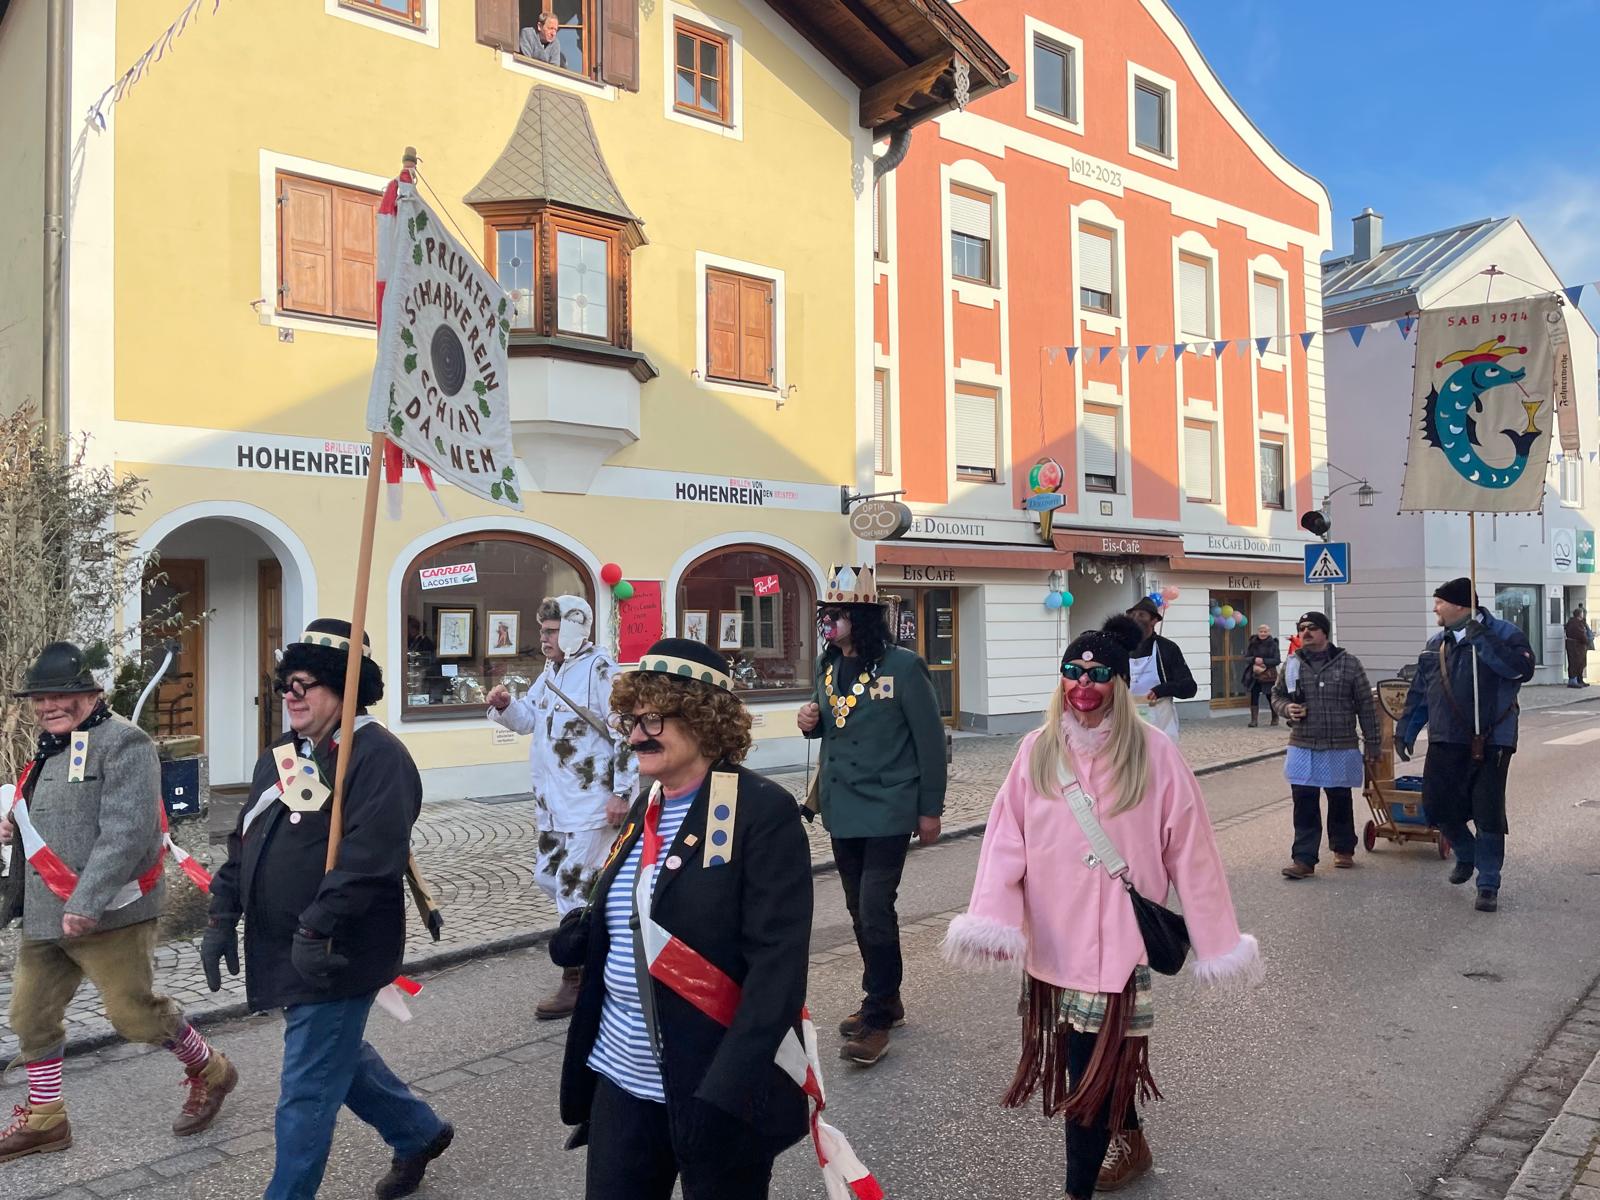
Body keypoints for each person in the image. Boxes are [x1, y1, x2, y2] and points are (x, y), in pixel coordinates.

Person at [942, 615, 1261, 1199]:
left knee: (1084, 1072)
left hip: (1120, 943)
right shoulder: (1037, 749)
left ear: (1119, 682)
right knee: (1094, 1059)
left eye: (1097, 673)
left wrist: (1217, 942)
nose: (1083, 684)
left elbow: (1192, 852)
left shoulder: (1156, 753)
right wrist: (993, 917)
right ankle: (1131, 1141)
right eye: (1073, 671)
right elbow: (1005, 839)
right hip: (1054, 941)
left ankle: (1077, 1190)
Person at [552, 638, 817, 1198]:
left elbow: (777, 970)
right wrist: (586, 932)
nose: (634, 735)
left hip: (714, 1087)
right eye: (630, 720)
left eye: (652, 719)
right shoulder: (648, 805)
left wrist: (727, 1092)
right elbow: (643, 911)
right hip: (621, 1077)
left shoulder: (761, 811)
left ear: (703, 718)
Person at [201, 620, 452, 1200]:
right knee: (336, 1056)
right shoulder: (285, 754)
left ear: (345, 688)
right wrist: (221, 913)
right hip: (285, 944)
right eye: (286, 683)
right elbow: (246, 841)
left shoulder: (378, 758)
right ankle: (417, 1131)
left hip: (337, 949)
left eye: (306, 684)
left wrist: (318, 928)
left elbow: (369, 860)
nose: (291, 695)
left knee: (307, 1089)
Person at [0, 642, 237, 1162]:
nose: (48, 706)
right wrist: (16, 824)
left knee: (135, 1018)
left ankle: (211, 1068)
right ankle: (46, 1119)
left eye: (60, 695)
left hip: (111, 913)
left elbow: (127, 832)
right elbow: (62, 812)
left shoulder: (125, 742)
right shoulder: (52, 743)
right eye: (40, 698)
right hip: (46, 910)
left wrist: (86, 902)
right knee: (30, 1014)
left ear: (93, 694)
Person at [797, 565, 946, 1066]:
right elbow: (832, 723)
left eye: (836, 614)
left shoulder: (904, 666)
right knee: (858, 908)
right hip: (842, 805)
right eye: (825, 614)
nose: (827, 622)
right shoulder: (826, 665)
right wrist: (808, 722)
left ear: (861, 618)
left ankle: (877, 1016)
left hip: (888, 806)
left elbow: (930, 743)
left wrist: (930, 810)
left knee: (876, 907)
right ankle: (886, 998)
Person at [486, 595, 637, 1019]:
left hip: (591, 804)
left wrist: (622, 792)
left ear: (573, 629)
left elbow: (627, 732)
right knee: (549, 877)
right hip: (554, 806)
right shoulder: (551, 671)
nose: (545, 638)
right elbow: (529, 721)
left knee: (574, 887)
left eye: (552, 631)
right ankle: (610, 947)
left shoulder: (601, 670)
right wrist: (505, 706)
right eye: (542, 631)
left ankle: (578, 979)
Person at [1395, 579, 1536, 913]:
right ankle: (1467, 853)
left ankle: (1487, 884)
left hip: (1492, 738)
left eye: (1439, 602)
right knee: (1437, 806)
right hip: (1446, 736)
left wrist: (1481, 638)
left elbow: (1520, 670)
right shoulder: (1435, 644)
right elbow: (1421, 692)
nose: (1435, 608)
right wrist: (1406, 730)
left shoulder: (1505, 634)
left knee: (1487, 813)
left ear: (1459, 605)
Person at [1270, 612, 1381, 880]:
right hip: (1302, 744)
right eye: (1302, 628)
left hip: (1340, 743)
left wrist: (1373, 744)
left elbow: (1366, 706)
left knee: (1339, 798)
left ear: (1325, 632)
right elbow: (1277, 695)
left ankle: (1343, 848)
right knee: (1304, 802)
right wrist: (1286, 708)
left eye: (1312, 628)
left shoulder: (1349, 664)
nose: (1306, 632)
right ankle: (1303, 859)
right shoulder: (1292, 664)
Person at [1124, 597, 1197, 741]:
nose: (1135, 619)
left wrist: (1162, 689)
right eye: (1132, 615)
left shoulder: (1167, 648)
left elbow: (1189, 687)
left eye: (1141, 615)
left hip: (1160, 720)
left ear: (1154, 620)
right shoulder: (1122, 648)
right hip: (1129, 719)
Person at [1242, 623, 1281, 727]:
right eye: (1261, 631)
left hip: (1268, 675)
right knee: (1254, 696)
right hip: (1255, 675)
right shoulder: (1253, 643)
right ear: (1258, 632)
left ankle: (1275, 717)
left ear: (1268, 632)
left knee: (1270, 696)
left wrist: (1263, 661)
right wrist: (1254, 659)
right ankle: (1254, 720)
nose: (1263, 634)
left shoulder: (1273, 644)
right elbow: (1246, 657)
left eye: (1265, 632)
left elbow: (1277, 660)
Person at [1566, 605, 1591, 688]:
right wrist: (1587, 641)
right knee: (1575, 663)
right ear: (1579, 614)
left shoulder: (1574, 622)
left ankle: (1579, 679)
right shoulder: (1576, 623)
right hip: (1576, 646)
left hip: (1577, 646)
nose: (1583, 614)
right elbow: (1581, 635)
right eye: (1582, 613)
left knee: (1580, 663)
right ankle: (1573, 681)